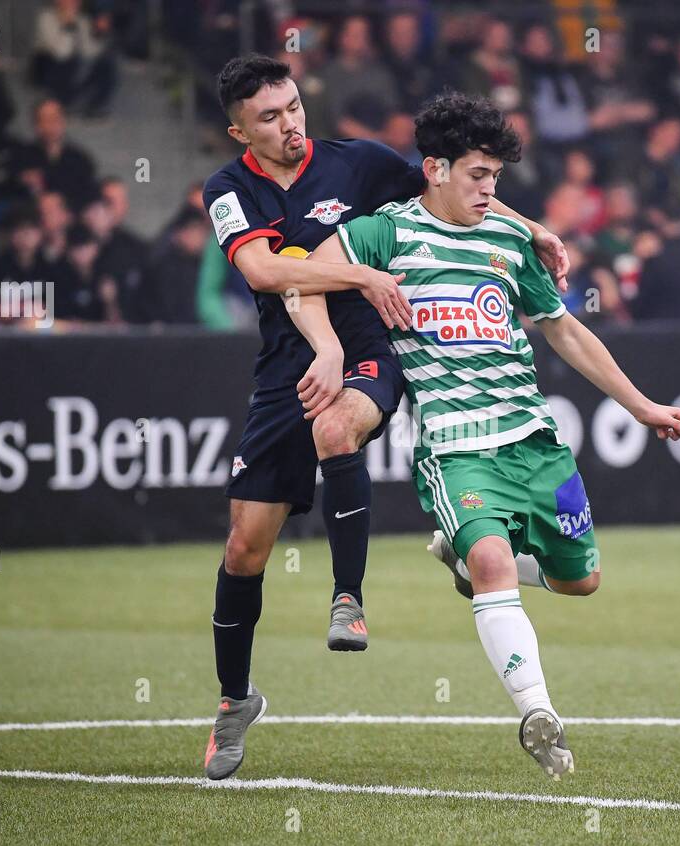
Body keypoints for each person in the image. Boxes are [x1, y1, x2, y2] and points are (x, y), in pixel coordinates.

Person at [293, 92, 680, 777]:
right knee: (493, 563)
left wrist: (641, 405)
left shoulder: (510, 242)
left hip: (533, 440)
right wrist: (328, 347)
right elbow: (302, 277)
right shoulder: (385, 232)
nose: (490, 190)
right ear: (435, 169)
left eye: (496, 179)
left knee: (584, 581)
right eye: (478, 175)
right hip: (456, 449)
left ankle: (466, 568)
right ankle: (540, 715)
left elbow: (564, 329)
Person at [199, 55, 568, 780]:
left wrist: (533, 228)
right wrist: (360, 273)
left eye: (295, 106)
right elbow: (266, 272)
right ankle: (234, 700)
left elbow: (453, 182)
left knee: (338, 427)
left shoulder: (358, 163)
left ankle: (348, 600)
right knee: (245, 548)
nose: (290, 123)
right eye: (270, 117)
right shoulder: (228, 189)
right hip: (285, 365)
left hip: (373, 345)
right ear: (239, 127)